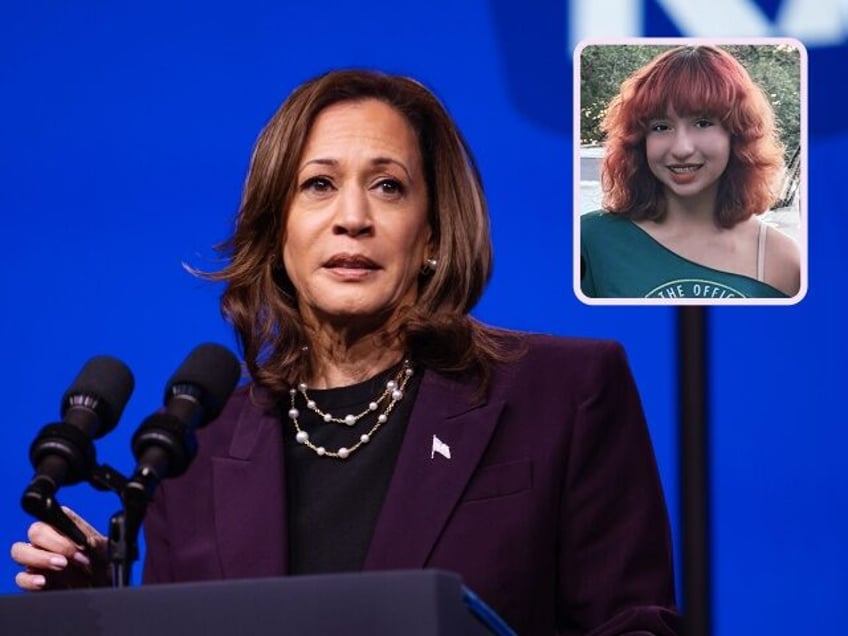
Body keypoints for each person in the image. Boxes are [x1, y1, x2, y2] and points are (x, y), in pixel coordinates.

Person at [12, 69, 680, 635]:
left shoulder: (562, 393)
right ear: (277, 232)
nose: (352, 217)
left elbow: (634, 625)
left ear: (434, 237)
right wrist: (102, 612)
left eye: (388, 185)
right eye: (318, 185)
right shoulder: (197, 451)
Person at [580, 44, 801, 300]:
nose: (682, 148)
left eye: (703, 123)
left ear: (737, 135)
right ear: (640, 141)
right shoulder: (589, 241)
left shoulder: (782, 260)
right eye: (661, 127)